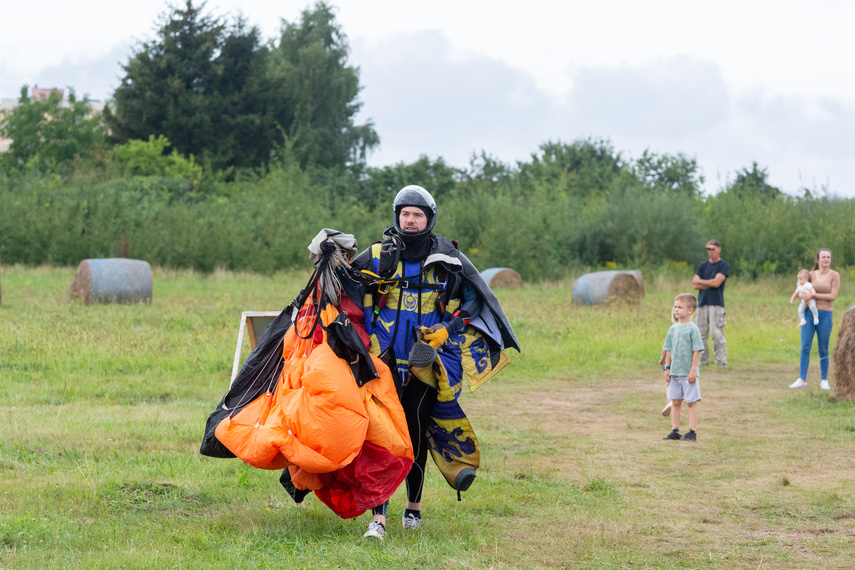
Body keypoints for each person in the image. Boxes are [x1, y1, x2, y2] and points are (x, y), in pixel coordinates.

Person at [351, 185, 520, 540]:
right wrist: (327, 257)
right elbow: (345, 287)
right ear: (396, 216)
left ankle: (412, 509)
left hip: (425, 362)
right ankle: (377, 517)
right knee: (380, 436)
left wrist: (448, 328)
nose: (410, 221)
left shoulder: (448, 258)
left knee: (415, 435)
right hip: (381, 361)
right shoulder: (377, 255)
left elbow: (475, 301)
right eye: (404, 214)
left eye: (417, 215)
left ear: (428, 218)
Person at [789, 248, 839, 390]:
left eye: (828, 257)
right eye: (823, 257)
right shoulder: (810, 274)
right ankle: (802, 379)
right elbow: (800, 290)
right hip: (809, 314)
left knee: (823, 348)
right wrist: (802, 296)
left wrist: (814, 296)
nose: (826, 259)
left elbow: (832, 296)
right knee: (805, 346)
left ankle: (824, 380)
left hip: (825, 314)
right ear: (818, 260)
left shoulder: (834, 275)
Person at [661, 294, 704, 442]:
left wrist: (693, 370)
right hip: (675, 372)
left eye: (680, 307)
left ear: (690, 310)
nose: (676, 310)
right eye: (675, 307)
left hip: (688, 373)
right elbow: (668, 349)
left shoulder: (693, 329)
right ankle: (675, 430)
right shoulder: (673, 329)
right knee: (675, 401)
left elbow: (697, 350)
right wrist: (667, 368)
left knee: (690, 402)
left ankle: (692, 432)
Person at [692, 239, 730, 367]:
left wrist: (702, 282)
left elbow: (716, 283)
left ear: (719, 249)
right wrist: (709, 282)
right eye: (708, 249)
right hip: (702, 302)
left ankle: (721, 361)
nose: (710, 252)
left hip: (716, 304)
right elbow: (695, 285)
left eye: (713, 249)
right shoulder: (702, 266)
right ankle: (703, 361)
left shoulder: (724, 265)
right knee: (700, 333)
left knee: (716, 333)